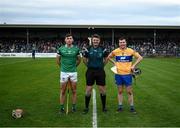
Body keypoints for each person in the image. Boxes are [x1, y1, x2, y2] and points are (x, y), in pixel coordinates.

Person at [107, 37, 143, 113]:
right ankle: (120, 107)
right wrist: (114, 63)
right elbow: (108, 57)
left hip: (128, 74)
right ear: (118, 43)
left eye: (123, 42)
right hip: (118, 74)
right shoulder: (116, 51)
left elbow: (140, 57)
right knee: (120, 91)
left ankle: (132, 107)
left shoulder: (130, 51)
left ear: (126, 43)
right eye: (120, 42)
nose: (122, 44)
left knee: (129, 91)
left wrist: (133, 65)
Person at [82, 34, 109, 114]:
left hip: (100, 71)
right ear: (92, 41)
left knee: (102, 90)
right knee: (88, 89)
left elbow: (106, 59)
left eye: (97, 40)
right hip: (90, 71)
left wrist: (102, 66)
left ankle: (104, 107)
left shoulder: (103, 49)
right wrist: (89, 66)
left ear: (99, 41)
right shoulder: (88, 49)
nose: (95, 41)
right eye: (94, 40)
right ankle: (86, 107)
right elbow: (84, 59)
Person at [56, 33, 81, 113]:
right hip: (64, 72)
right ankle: (62, 108)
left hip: (73, 72)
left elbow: (79, 60)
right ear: (65, 40)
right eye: (67, 38)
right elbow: (57, 60)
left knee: (74, 90)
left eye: (70, 38)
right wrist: (63, 67)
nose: (69, 40)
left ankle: (74, 107)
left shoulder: (76, 49)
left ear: (72, 40)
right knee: (63, 91)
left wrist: (74, 66)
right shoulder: (61, 49)